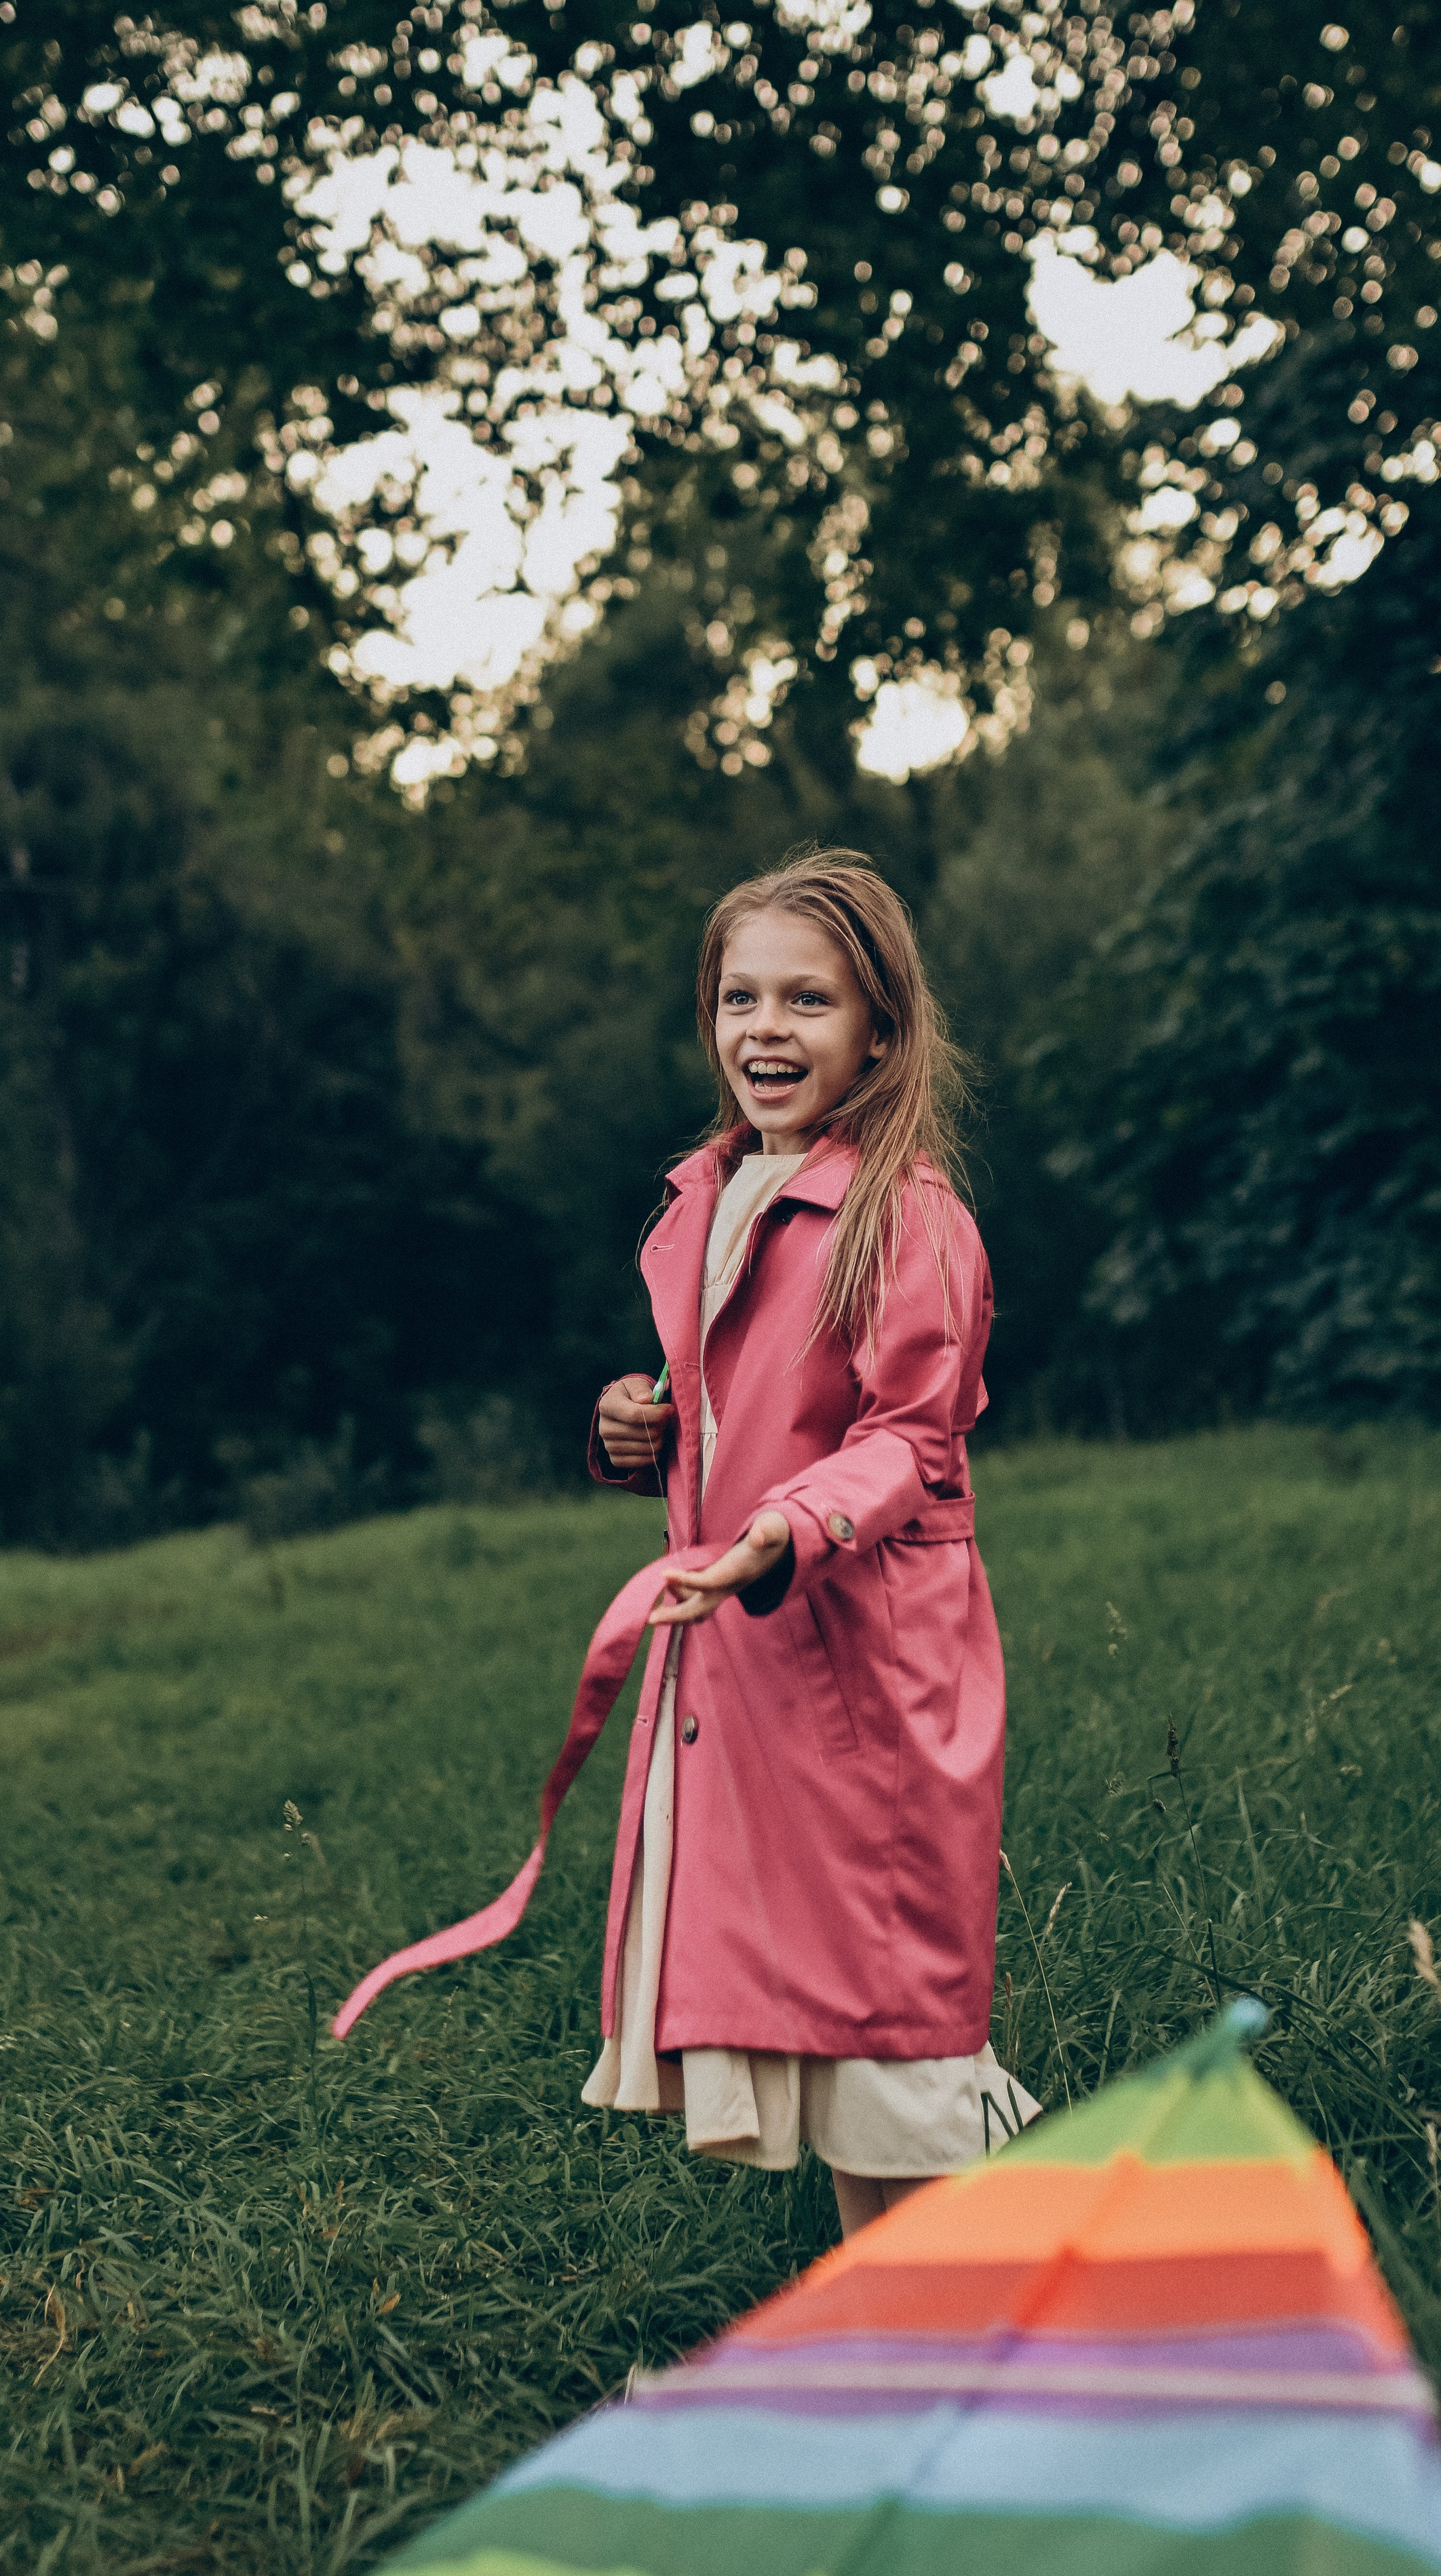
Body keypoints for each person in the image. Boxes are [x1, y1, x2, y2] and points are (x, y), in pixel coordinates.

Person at [585, 846, 1035, 2238]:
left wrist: (777, 1530)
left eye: (806, 1002)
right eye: (737, 999)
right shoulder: (706, 1200)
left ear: (877, 1030)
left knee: (891, 2035)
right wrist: (639, 1427)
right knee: (833, 2042)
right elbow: (737, 1402)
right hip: (742, 1680)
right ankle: (900, 2346)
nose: (763, 1032)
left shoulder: (907, 1215)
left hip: (860, 1680)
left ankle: (970, 2320)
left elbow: (911, 1438)